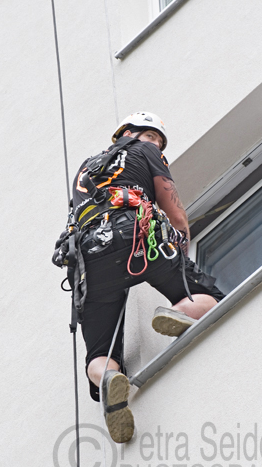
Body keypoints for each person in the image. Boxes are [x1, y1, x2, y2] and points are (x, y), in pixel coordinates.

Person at [55, 112, 224, 444]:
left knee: (99, 353)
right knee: (208, 296)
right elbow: (171, 205)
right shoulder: (145, 151)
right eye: (154, 138)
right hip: (136, 235)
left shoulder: (86, 169)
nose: (156, 144)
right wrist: (181, 249)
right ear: (132, 134)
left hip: (88, 260)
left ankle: (108, 379)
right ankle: (179, 311)